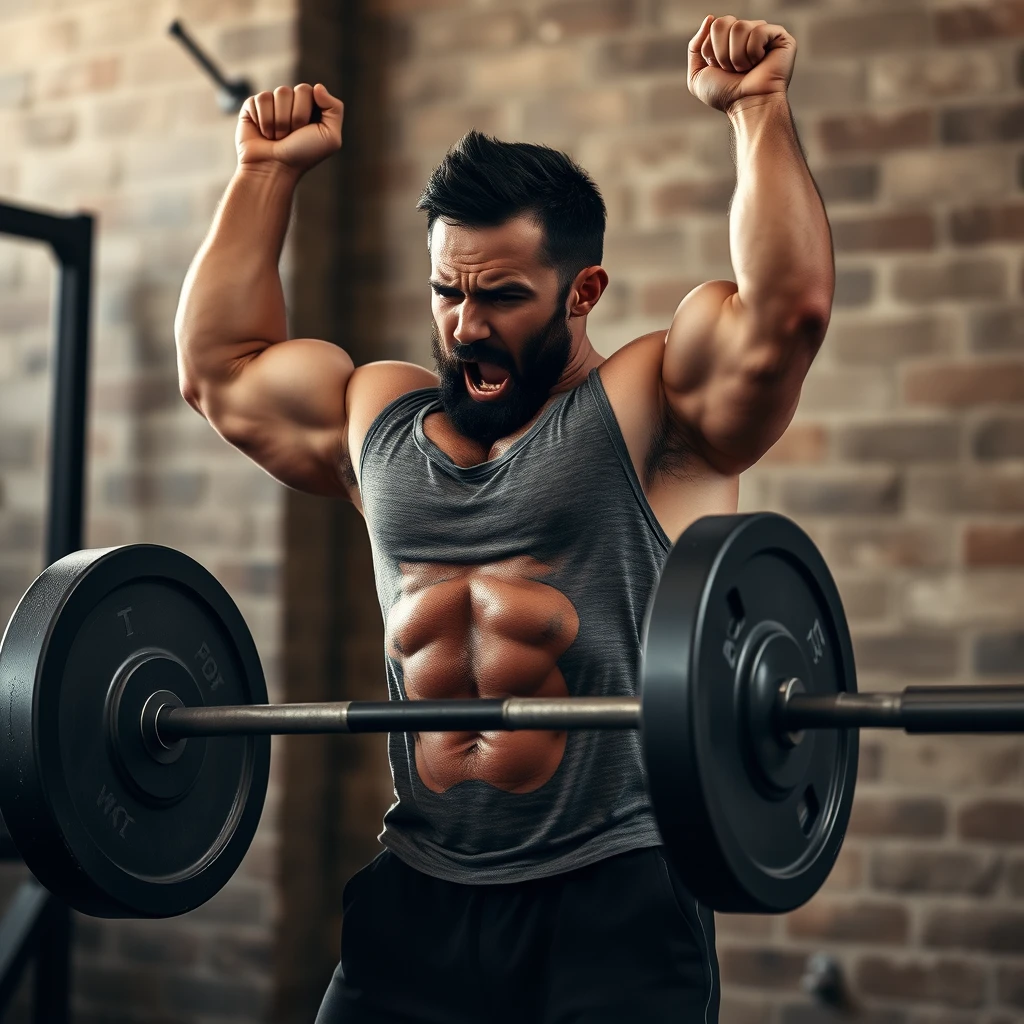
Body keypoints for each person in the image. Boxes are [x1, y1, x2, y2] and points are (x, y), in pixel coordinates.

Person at [174, 13, 833, 1024]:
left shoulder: (649, 408)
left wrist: (755, 108)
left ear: (584, 292)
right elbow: (220, 371)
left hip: (613, 903)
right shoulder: (379, 418)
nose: (465, 326)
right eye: (447, 293)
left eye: (503, 299)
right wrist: (263, 174)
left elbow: (782, 313)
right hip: (421, 890)